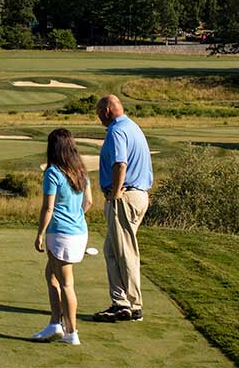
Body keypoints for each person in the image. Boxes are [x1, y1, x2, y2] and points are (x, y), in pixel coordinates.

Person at [93, 94, 154, 323]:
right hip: (137, 195)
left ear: (107, 110)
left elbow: (120, 163)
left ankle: (134, 305)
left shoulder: (117, 131)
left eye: (99, 112)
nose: (98, 117)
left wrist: (116, 193)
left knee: (125, 251)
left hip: (125, 196)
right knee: (111, 250)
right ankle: (120, 303)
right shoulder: (132, 126)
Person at [32, 129, 93, 345]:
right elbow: (88, 203)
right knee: (51, 275)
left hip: (60, 233)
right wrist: (75, 217)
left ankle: (72, 332)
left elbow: (48, 208)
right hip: (78, 232)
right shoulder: (81, 171)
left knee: (66, 283)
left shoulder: (53, 173)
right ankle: (54, 324)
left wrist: (39, 234)